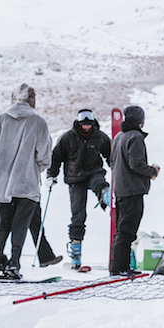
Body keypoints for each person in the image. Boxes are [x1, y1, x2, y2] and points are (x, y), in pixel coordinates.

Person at [0, 84, 54, 280]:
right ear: (32, 100)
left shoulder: (1, 120)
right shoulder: (38, 123)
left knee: (2, 224)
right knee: (21, 225)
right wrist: (34, 168)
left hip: (1, 184)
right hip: (26, 183)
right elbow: (45, 157)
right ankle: (14, 264)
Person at [47, 108, 112, 270]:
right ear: (78, 123)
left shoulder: (99, 136)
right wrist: (51, 175)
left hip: (94, 172)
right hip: (75, 178)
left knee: (99, 183)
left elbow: (110, 154)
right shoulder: (68, 137)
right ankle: (76, 253)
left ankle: (107, 196)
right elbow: (56, 157)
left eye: (89, 125)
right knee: (78, 214)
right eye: (84, 125)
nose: (87, 127)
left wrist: (116, 167)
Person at [109, 105, 159, 276]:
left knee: (122, 229)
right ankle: (120, 268)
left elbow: (112, 162)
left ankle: (118, 266)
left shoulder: (119, 137)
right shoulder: (136, 137)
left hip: (121, 189)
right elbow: (136, 164)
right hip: (132, 190)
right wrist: (152, 171)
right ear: (141, 121)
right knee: (128, 230)